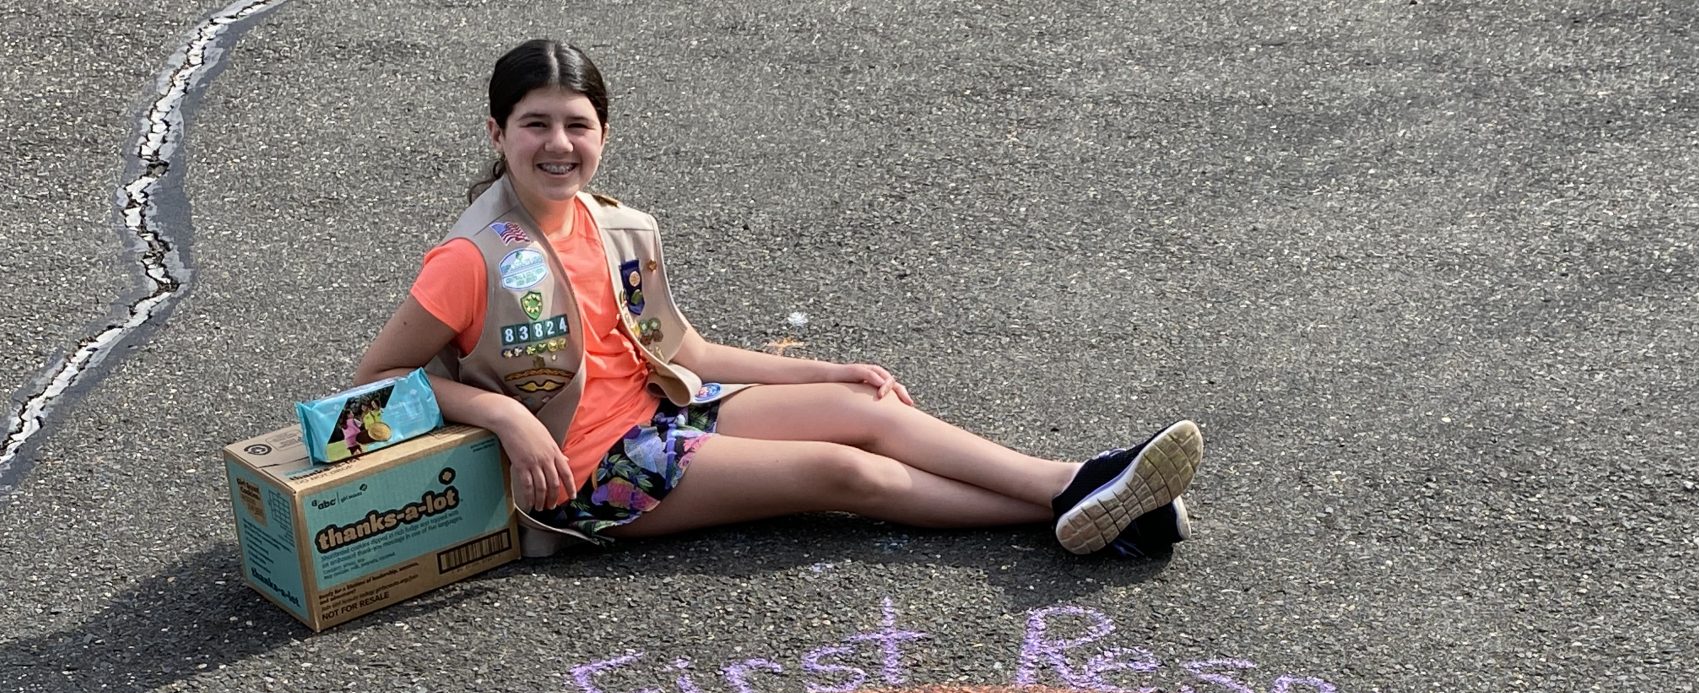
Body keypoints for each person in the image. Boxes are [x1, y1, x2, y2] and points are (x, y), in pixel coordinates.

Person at [352, 40, 1203, 559]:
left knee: (856, 408)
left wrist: (829, 370)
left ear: (604, 134)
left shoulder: (613, 228)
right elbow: (375, 388)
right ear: (496, 134)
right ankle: (1090, 501)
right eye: (535, 123)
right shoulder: (472, 258)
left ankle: (1080, 489)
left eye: (577, 124)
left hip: (665, 415)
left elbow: (680, 353)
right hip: (591, 477)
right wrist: (505, 418)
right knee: (843, 472)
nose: (558, 144)